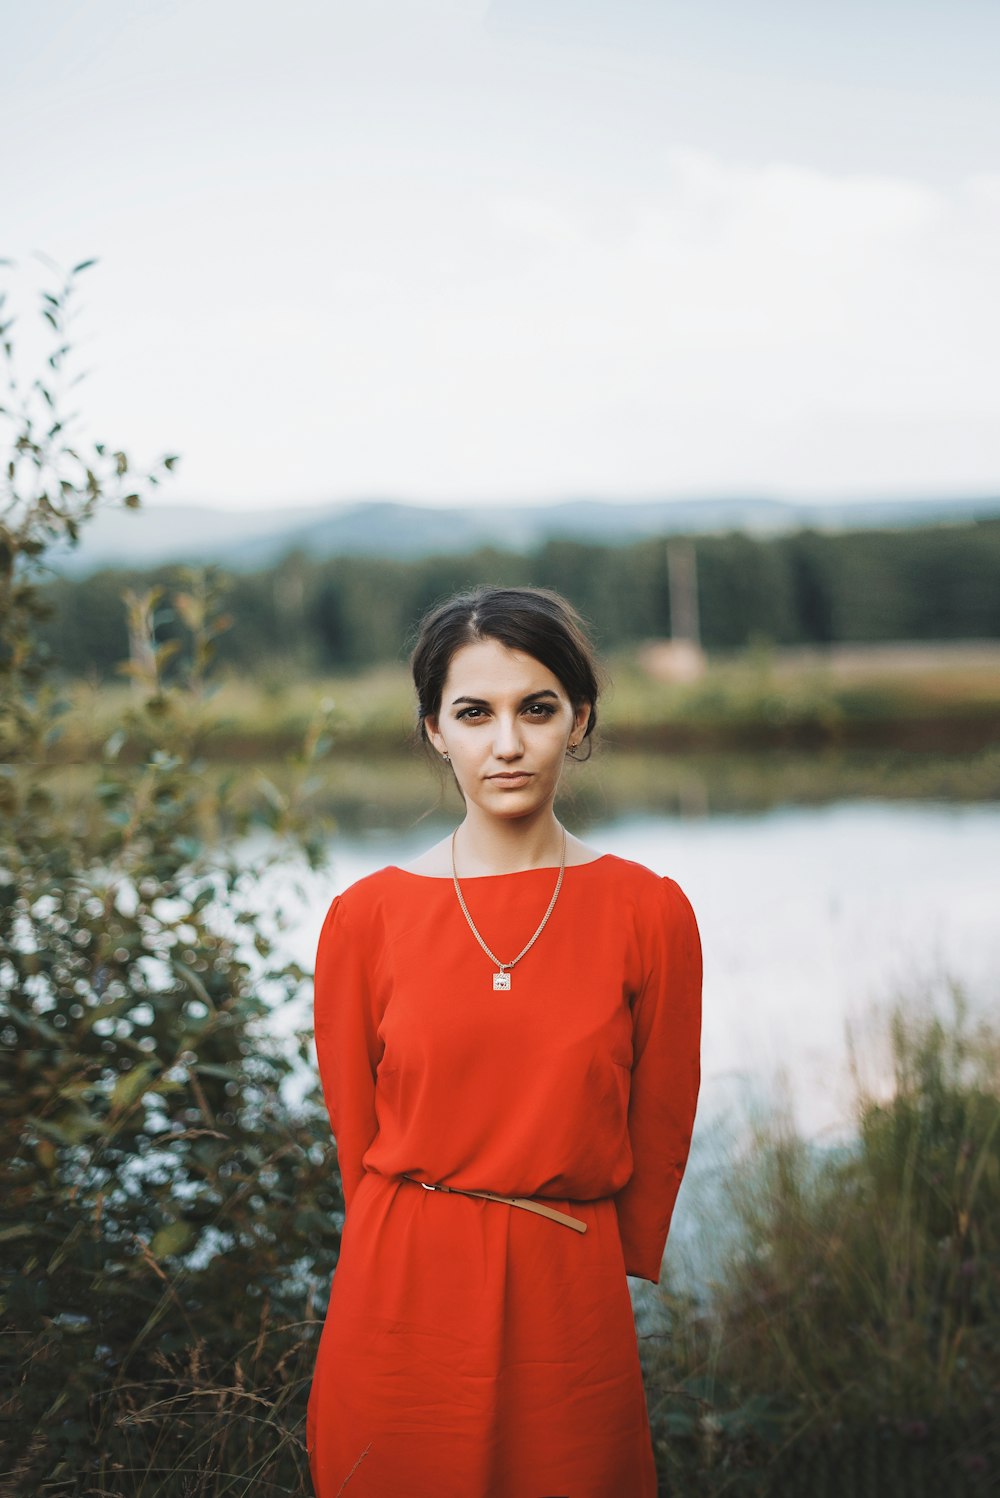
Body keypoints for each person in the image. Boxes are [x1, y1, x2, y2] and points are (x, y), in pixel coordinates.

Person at [307, 585, 702, 1498]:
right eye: (474, 713)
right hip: (401, 1289)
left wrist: (619, 1255)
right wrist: (386, 1246)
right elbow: (354, 1137)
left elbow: (663, 1113)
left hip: (567, 1285)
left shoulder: (649, 910)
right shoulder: (365, 919)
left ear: (580, 718)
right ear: (436, 731)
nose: (509, 743)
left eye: (537, 708)